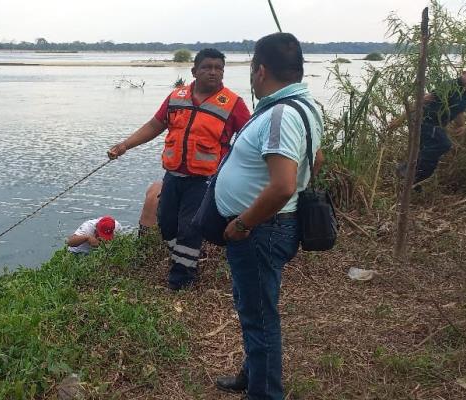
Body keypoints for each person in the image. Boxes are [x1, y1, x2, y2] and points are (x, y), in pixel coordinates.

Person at [213, 33, 324, 400]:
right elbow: (316, 159)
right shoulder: (304, 105)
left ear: (260, 71)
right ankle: (252, 374)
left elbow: (282, 186)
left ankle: (264, 393)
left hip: (261, 230)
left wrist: (243, 223)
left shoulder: (280, 114)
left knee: (260, 317)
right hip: (268, 228)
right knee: (253, 307)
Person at [107, 48, 250, 290]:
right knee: (166, 225)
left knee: (190, 228)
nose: (213, 72)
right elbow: (154, 125)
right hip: (173, 176)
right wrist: (124, 146)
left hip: (205, 179)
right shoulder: (176, 97)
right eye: (207, 67)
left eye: (219, 68)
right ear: (194, 71)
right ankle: (188, 259)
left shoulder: (233, 104)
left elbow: (250, 136)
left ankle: (181, 279)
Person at [396, 62, 466, 185]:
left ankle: (413, 183)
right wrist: (400, 120)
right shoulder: (449, 86)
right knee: (443, 144)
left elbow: (459, 109)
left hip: (436, 125)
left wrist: (462, 125)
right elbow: (422, 100)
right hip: (424, 121)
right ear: (464, 72)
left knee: (430, 155)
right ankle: (405, 171)